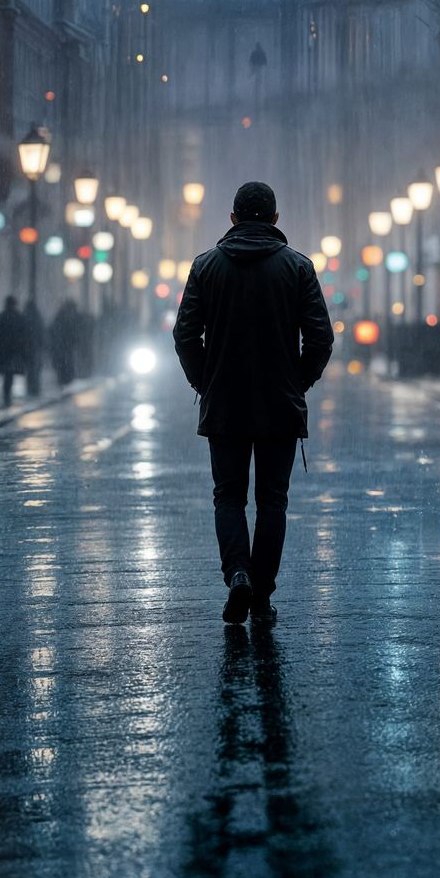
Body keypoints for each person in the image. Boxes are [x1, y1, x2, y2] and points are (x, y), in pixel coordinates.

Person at [173, 180, 334, 626]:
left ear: (232, 218)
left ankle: (237, 573)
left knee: (228, 496)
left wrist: (206, 381)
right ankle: (261, 592)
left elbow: (185, 336)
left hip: (225, 403)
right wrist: (296, 381)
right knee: (272, 500)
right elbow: (321, 338)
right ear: (276, 219)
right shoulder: (298, 268)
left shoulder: (205, 267)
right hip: (279, 405)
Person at [0, 294, 28, 408]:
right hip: (14, 350)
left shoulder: (0, 317)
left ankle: (6, 394)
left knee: (7, 373)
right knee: (9, 373)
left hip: (3, 350)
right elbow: (24, 336)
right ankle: (7, 395)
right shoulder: (19, 317)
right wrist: (23, 351)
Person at [50, 297, 85, 386]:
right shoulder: (67, 318)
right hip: (65, 349)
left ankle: (64, 384)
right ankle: (65, 384)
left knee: (64, 370)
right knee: (65, 369)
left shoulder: (61, 318)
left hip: (63, 349)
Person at [23, 297, 47, 399]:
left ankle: (30, 388)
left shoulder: (25, 317)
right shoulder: (37, 317)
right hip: (35, 347)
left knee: (30, 369)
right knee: (35, 369)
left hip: (28, 347)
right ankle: (35, 388)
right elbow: (41, 332)